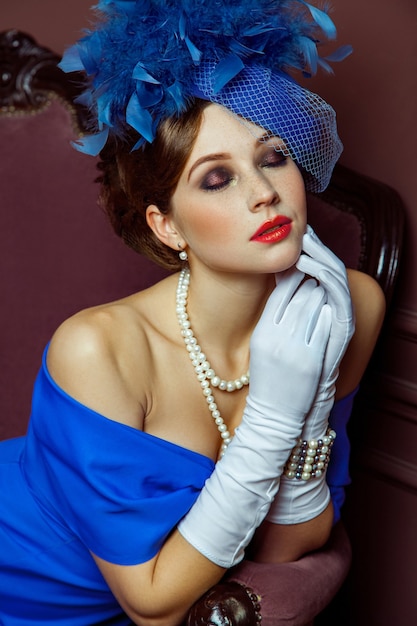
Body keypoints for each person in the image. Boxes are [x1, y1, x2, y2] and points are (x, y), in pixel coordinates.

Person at [0, 1, 385, 624]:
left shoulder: (351, 306)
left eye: (273, 156)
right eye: (216, 179)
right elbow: (153, 605)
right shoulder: (98, 347)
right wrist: (268, 421)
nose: (264, 193)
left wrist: (310, 411)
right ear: (168, 225)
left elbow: (287, 548)